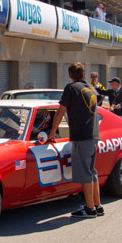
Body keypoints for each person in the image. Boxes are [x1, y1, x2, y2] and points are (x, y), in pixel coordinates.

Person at [48, 62, 103, 218]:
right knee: (92, 172)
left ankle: (90, 209)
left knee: (85, 173)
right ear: (84, 74)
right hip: (93, 135)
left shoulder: (71, 88)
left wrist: (52, 132)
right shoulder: (90, 88)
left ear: (69, 75)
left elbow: (60, 111)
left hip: (81, 136)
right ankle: (97, 206)